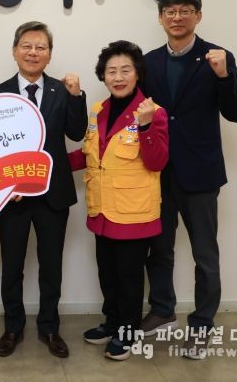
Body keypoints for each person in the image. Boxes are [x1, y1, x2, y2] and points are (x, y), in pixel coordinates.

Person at [141, 0, 237, 359]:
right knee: (159, 249)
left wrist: (224, 76)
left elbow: (236, 112)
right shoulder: (149, 62)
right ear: (160, 18)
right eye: (170, 11)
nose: (177, 17)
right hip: (157, 172)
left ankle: (202, 325)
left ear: (198, 16)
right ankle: (162, 309)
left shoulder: (218, 57)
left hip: (200, 172)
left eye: (185, 10)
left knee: (205, 253)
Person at [0, 21, 87, 358]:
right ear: (14, 51)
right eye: (26, 46)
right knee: (12, 265)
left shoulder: (63, 90)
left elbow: (76, 133)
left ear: (49, 54)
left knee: (51, 266)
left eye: (40, 47)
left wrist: (77, 97)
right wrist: (4, 185)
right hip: (12, 196)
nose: (33, 52)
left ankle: (49, 328)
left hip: (53, 194)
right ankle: (12, 327)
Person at [68, 40, 168, 360]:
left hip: (133, 213)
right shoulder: (98, 110)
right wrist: (48, 162)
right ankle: (112, 323)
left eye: (126, 70)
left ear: (138, 74)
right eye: (111, 71)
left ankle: (127, 332)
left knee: (129, 279)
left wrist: (146, 125)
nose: (118, 77)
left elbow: (157, 161)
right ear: (103, 76)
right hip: (102, 212)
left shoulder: (153, 112)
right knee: (107, 275)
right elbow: (90, 154)